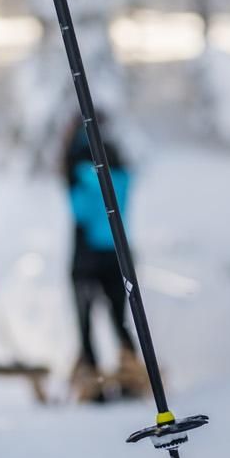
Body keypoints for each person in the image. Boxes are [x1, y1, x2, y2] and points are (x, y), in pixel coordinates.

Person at [62, 118, 149, 403]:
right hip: (118, 256)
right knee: (119, 319)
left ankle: (94, 386)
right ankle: (130, 378)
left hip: (86, 257)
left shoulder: (79, 171)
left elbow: (79, 211)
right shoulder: (121, 174)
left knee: (85, 321)